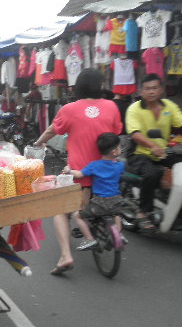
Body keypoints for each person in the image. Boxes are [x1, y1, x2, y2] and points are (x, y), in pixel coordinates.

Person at [33, 68, 122, 275]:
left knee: (60, 210)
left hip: (79, 173)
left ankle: (66, 256)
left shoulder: (69, 109)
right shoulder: (112, 106)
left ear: (78, 86)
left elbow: (52, 130)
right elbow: (116, 132)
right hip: (107, 172)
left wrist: (37, 144)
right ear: (100, 86)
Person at [125, 74, 182, 231]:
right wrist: (152, 145)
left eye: (155, 88)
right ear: (141, 91)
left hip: (163, 151)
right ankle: (143, 212)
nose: (151, 92)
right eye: (147, 89)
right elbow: (135, 134)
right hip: (140, 152)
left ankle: (180, 207)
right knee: (153, 173)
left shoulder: (169, 106)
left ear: (161, 89)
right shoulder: (134, 109)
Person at [64, 133, 127, 250]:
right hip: (116, 202)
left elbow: (79, 174)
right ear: (114, 152)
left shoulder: (94, 165)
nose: (121, 149)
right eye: (119, 147)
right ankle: (119, 234)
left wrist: (69, 170)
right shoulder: (120, 165)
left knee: (77, 216)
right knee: (117, 213)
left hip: (99, 204)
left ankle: (89, 239)